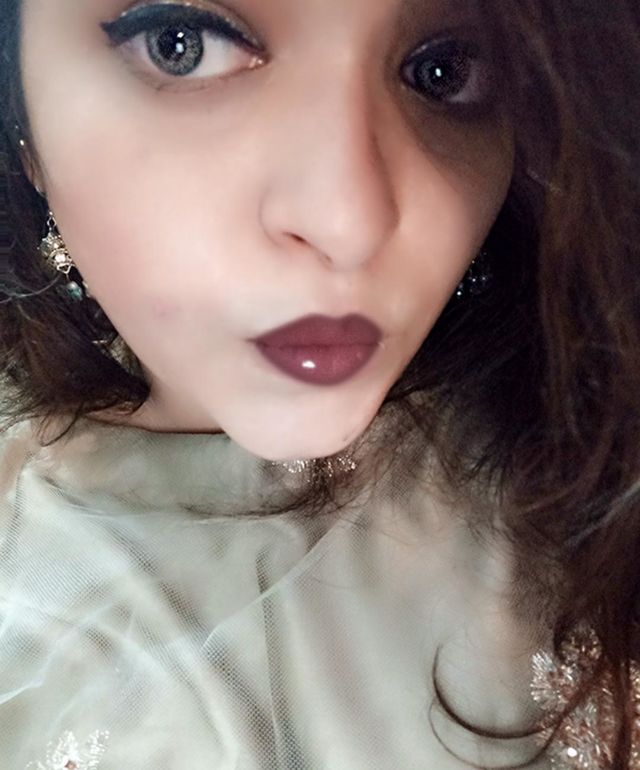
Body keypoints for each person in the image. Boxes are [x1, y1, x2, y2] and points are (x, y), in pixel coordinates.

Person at [0, 0, 638, 767]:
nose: (350, 221)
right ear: (21, 113)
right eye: (182, 46)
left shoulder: (590, 451)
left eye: (443, 71)